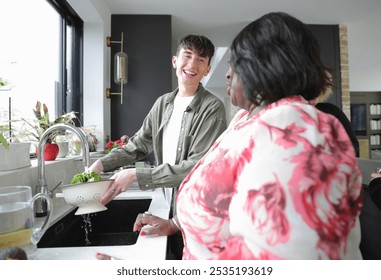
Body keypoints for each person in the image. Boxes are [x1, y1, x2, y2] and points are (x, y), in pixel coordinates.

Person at [172, 12, 363, 259]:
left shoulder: (295, 131)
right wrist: (178, 223)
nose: (228, 74)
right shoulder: (247, 118)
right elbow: (222, 193)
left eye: (235, 63)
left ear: (263, 66)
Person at [91, 34, 227, 259]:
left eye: (201, 60)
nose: (192, 64)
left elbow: (196, 168)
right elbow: (137, 146)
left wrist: (136, 174)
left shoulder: (213, 108)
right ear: (175, 61)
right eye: (188, 55)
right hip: (171, 207)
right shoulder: (163, 103)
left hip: (195, 213)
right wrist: (100, 164)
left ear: (208, 70)